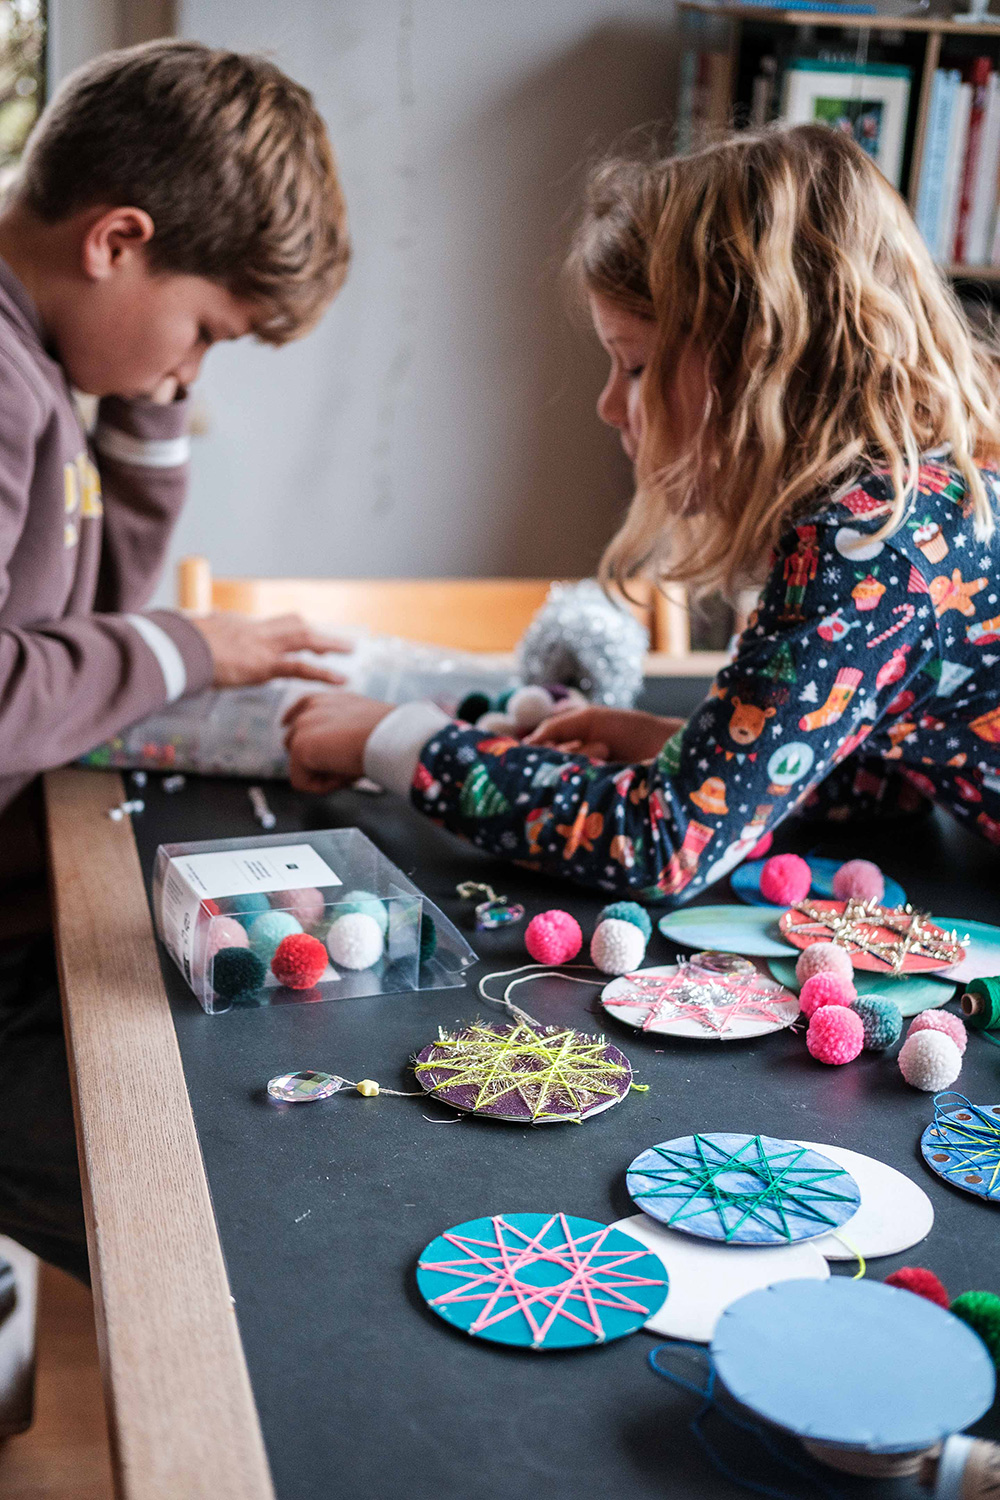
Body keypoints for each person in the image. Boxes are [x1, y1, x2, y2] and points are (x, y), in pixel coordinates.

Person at [285, 123, 1000, 904]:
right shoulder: (927, 497)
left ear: (756, 358)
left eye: (634, 364)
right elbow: (885, 775)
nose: (607, 404)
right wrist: (677, 749)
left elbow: (660, 843)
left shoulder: (873, 547)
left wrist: (392, 739)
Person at [0, 39, 352, 1279]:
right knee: (211, 1216)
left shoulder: (42, 369)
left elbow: (80, 625)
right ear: (116, 241)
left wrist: (142, 404)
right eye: (203, 332)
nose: (191, 372)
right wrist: (195, 646)